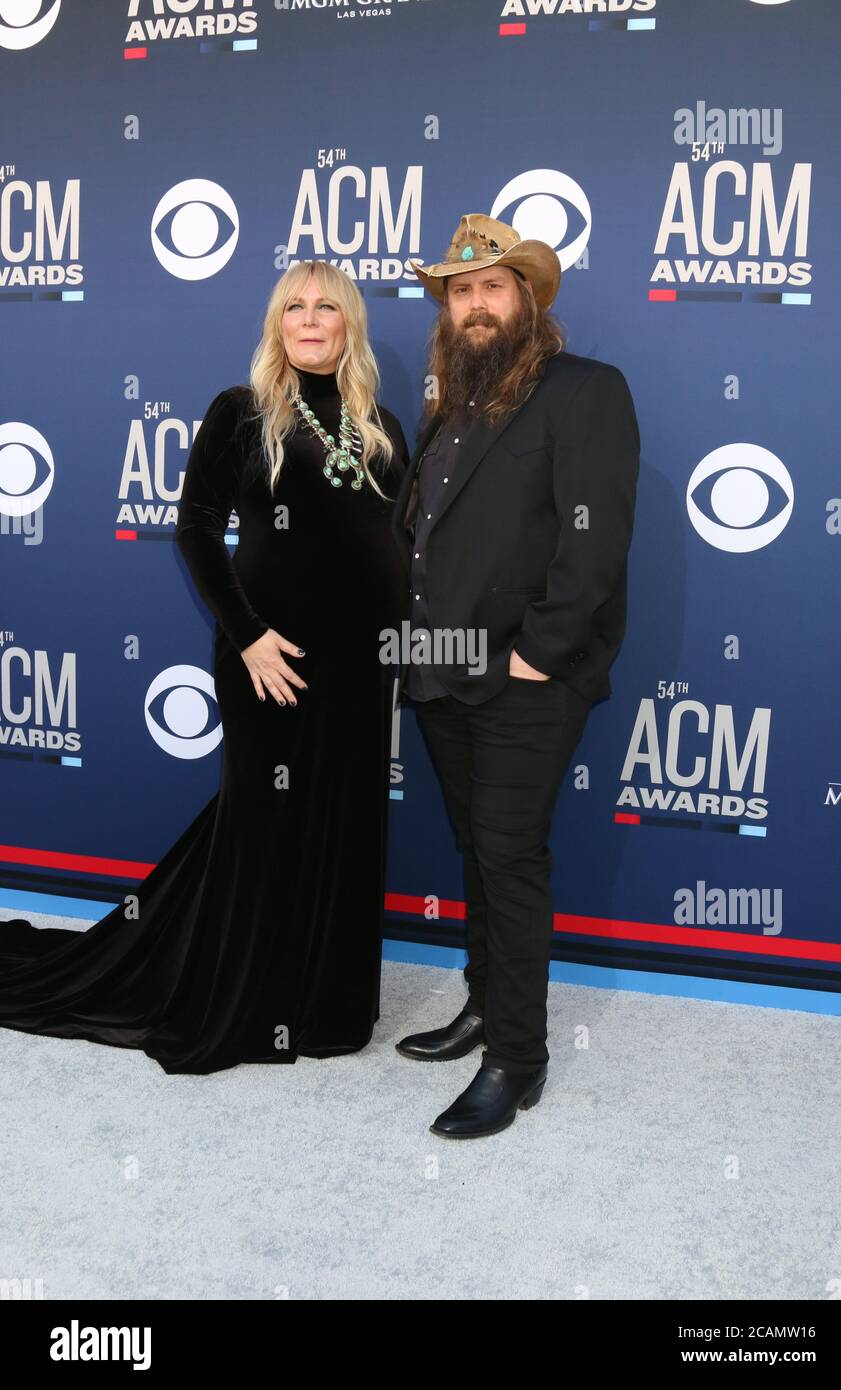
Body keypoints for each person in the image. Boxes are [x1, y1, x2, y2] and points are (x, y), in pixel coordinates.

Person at [0, 260, 410, 1074]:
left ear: (349, 323)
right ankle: (250, 1001)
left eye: (326, 305)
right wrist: (250, 636)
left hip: (363, 667)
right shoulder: (241, 412)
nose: (309, 318)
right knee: (263, 824)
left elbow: (389, 549)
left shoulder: (381, 428)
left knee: (348, 827)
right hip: (270, 658)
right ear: (277, 323)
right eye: (294, 306)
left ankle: (326, 1010)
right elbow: (195, 531)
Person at [391, 213, 641, 1139]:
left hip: (529, 676)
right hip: (441, 671)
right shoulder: (451, 404)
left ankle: (517, 1058)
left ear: (528, 300)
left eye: (494, 287)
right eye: (461, 292)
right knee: (477, 849)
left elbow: (596, 545)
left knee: (508, 854)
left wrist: (537, 654)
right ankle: (481, 1005)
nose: (477, 304)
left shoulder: (585, 391)